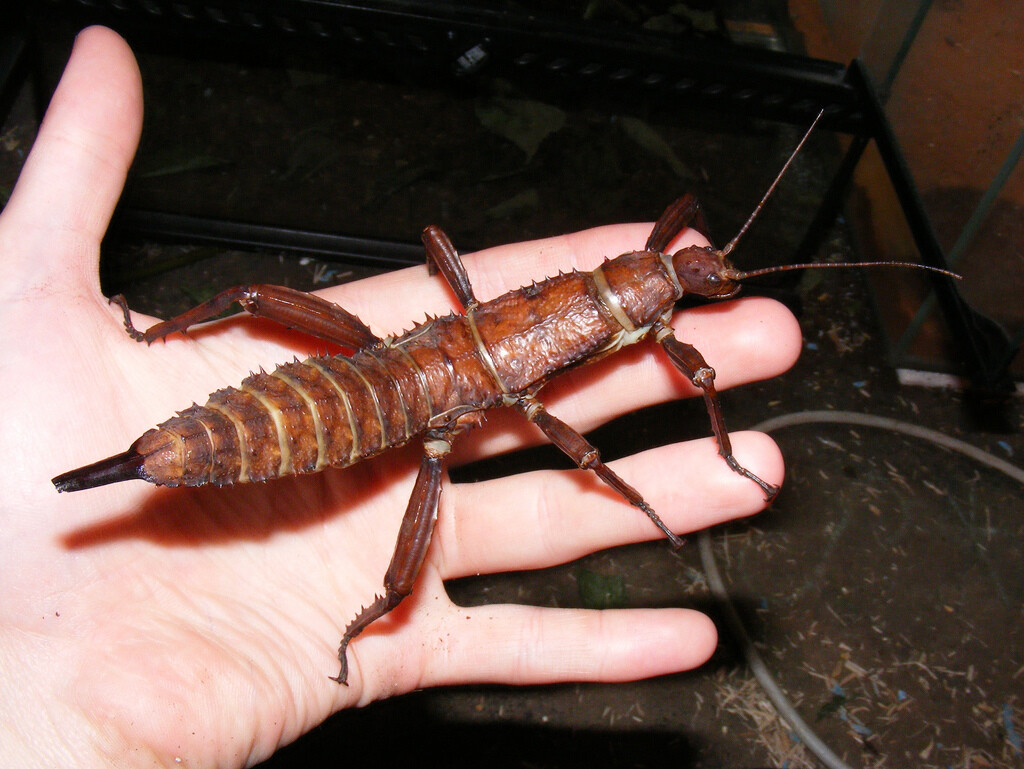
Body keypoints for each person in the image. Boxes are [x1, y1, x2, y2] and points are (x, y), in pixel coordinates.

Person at [0, 26, 799, 768]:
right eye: (706, 273)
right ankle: (158, 355)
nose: (708, 273)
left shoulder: (639, 295)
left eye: (707, 275)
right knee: (420, 539)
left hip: (378, 375)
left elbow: (663, 221)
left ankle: (348, 615)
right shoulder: (642, 313)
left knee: (253, 297)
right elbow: (599, 421)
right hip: (374, 392)